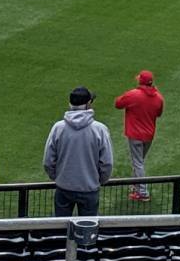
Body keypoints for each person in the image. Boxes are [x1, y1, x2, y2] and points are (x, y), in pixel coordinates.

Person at [42, 86, 113, 216]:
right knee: (87, 231)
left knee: (60, 229)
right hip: (89, 188)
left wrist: (57, 177)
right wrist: (98, 181)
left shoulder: (58, 128)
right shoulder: (100, 130)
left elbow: (48, 160)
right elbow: (107, 163)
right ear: (88, 104)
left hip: (64, 188)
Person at [113, 70, 165, 202]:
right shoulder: (159, 97)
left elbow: (118, 104)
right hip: (149, 135)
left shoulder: (134, 94)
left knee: (138, 163)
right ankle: (136, 185)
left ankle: (142, 192)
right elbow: (159, 114)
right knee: (139, 161)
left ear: (141, 81)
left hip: (136, 134)